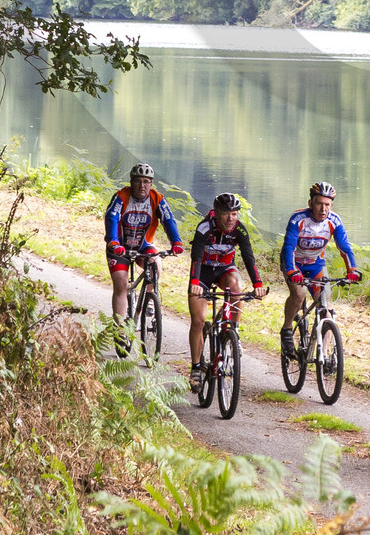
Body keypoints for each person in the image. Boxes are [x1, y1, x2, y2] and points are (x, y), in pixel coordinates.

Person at [189, 192, 264, 391]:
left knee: (236, 288)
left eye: (234, 214)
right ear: (217, 214)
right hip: (203, 273)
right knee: (197, 320)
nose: (231, 218)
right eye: (226, 214)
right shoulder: (205, 228)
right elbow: (196, 256)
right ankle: (196, 367)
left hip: (224, 271)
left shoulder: (239, 229)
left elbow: (249, 258)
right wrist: (195, 282)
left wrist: (257, 284)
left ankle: (234, 332)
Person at [103, 161, 181, 349]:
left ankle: (149, 300)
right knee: (121, 283)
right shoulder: (121, 197)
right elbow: (111, 218)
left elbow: (169, 221)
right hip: (119, 246)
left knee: (155, 263)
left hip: (143, 245)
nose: (142, 185)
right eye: (138, 181)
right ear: (131, 182)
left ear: (151, 184)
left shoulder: (157, 199)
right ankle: (120, 330)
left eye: (146, 181)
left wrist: (176, 242)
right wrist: (113, 241)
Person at [281, 180, 360, 345]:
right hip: (295, 264)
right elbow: (289, 247)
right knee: (299, 293)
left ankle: (323, 356)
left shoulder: (334, 221)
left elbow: (344, 247)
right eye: (319, 204)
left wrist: (352, 269)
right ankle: (287, 330)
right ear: (310, 203)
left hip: (316, 264)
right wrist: (291, 271)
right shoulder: (298, 219)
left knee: (325, 308)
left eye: (328, 205)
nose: (323, 209)